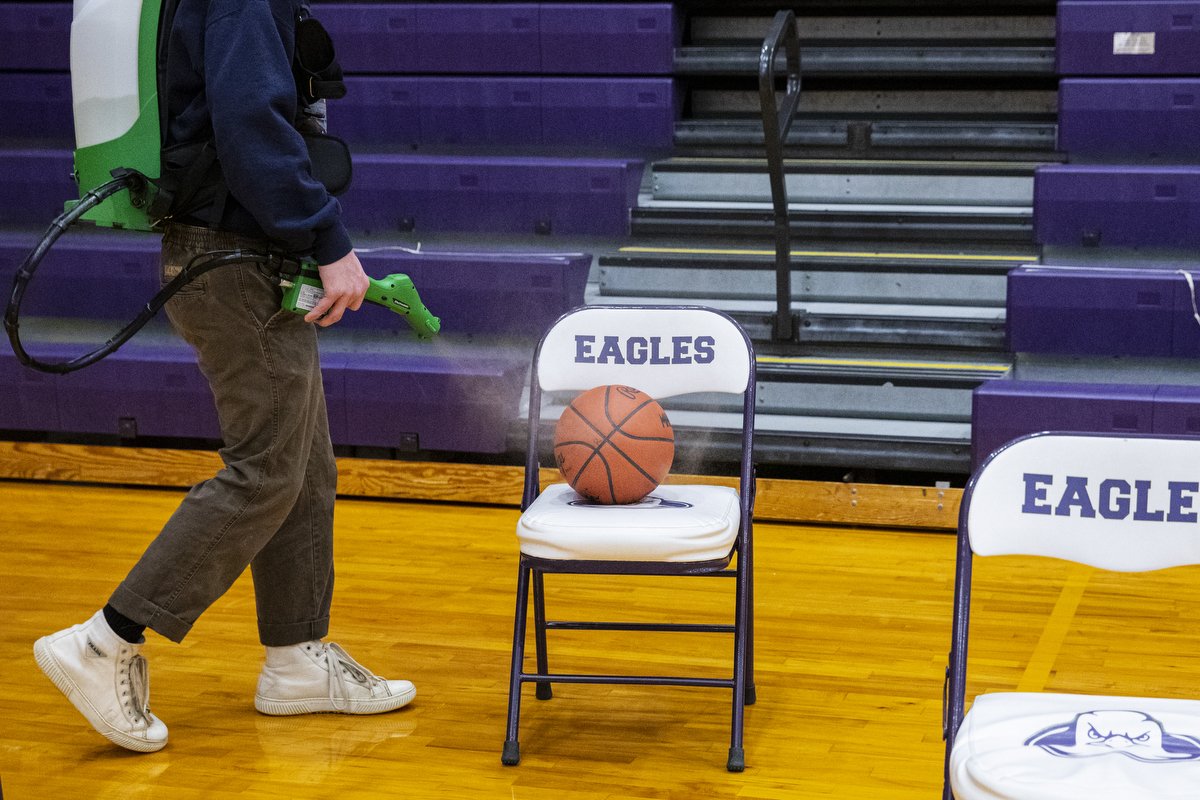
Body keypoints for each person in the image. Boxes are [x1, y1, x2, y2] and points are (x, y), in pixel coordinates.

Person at [32, 0, 414, 753]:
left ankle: (298, 658)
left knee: (302, 468)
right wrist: (328, 238)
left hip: (238, 256)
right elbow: (250, 125)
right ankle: (103, 641)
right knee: (266, 470)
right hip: (235, 262)